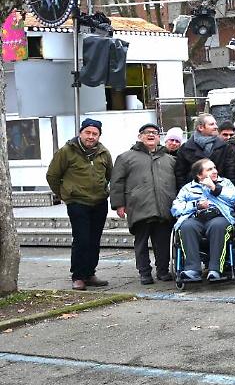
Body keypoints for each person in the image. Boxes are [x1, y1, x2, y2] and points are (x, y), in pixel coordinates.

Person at [46, 118, 113, 291]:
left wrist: (102, 189)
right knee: (81, 239)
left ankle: (90, 273)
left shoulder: (104, 152)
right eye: (87, 133)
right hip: (77, 202)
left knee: (94, 239)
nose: (91, 136)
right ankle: (78, 276)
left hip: (99, 202)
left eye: (95, 134)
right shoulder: (67, 151)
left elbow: (109, 175)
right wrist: (64, 194)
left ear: (99, 135)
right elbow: (52, 175)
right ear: (80, 133)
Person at [110, 122, 178, 285]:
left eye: (155, 132)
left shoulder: (170, 159)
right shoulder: (125, 158)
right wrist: (119, 204)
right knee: (141, 242)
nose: (151, 135)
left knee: (162, 242)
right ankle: (144, 273)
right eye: (147, 132)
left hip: (164, 207)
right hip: (139, 207)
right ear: (139, 136)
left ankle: (162, 271)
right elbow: (117, 182)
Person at [171, 157, 235, 282]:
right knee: (186, 226)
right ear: (199, 174)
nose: (214, 171)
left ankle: (215, 270)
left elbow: (233, 198)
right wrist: (195, 205)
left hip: (218, 216)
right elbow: (176, 208)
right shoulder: (187, 188)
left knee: (218, 226)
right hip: (195, 217)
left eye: (214, 168)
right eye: (209, 169)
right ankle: (192, 270)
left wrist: (214, 188)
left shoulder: (225, 183)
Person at [176, 113, 235, 187]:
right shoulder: (185, 148)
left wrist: (227, 191)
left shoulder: (225, 147)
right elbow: (180, 175)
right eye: (211, 124)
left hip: (220, 193)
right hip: (194, 193)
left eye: (215, 124)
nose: (216, 127)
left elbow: (231, 172)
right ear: (201, 128)